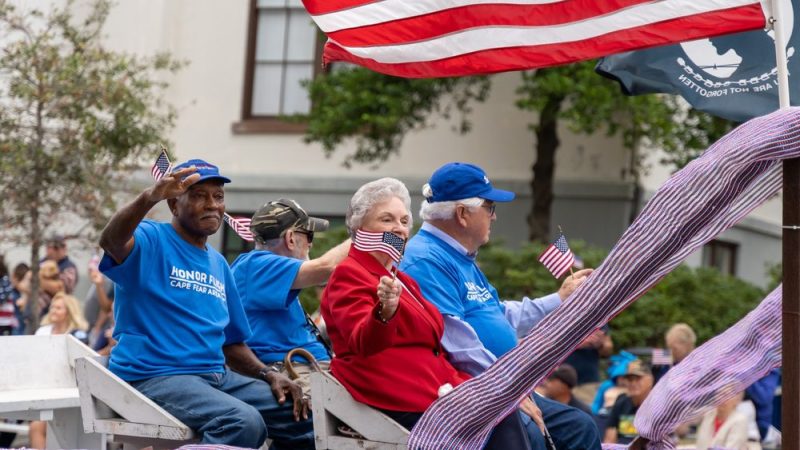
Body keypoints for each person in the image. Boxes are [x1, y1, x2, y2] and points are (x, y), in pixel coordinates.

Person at [98, 158, 313, 449]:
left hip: (216, 377)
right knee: (242, 421)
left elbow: (231, 344)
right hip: (156, 376)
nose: (212, 204)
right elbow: (111, 241)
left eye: (218, 196)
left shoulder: (218, 263)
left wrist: (269, 373)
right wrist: (150, 197)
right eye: (199, 196)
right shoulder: (151, 238)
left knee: (306, 414)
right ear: (174, 205)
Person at [399, 162, 600, 450]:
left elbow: (498, 314)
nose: (494, 217)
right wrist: (510, 391)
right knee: (551, 433)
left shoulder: (457, 255)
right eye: (490, 207)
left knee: (579, 427)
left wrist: (560, 299)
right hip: (474, 396)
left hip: (497, 390)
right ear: (462, 214)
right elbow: (458, 344)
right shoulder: (426, 260)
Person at [322, 177, 530, 449]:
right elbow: (363, 341)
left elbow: (435, 348)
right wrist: (384, 312)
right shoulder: (349, 274)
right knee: (500, 418)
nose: (398, 229)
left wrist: (467, 385)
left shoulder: (403, 279)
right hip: (393, 395)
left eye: (404, 221)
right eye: (387, 220)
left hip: (435, 389)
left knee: (501, 409)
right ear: (360, 228)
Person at [232, 198, 350, 395]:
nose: (310, 244)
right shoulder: (257, 264)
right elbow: (327, 267)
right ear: (291, 238)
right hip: (292, 372)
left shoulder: (263, 269)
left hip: (303, 369)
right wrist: (371, 234)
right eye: (309, 236)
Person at [29, 292, 89, 448]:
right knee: (36, 427)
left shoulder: (78, 335)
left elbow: (82, 364)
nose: (53, 310)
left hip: (73, 393)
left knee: (67, 431)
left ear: (68, 312)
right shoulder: (42, 331)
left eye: (59, 308)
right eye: (52, 307)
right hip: (45, 388)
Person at [603, 359, 654, 445]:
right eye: (630, 379)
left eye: (638, 379)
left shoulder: (660, 404)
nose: (633, 383)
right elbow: (609, 440)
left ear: (650, 380)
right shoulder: (621, 402)